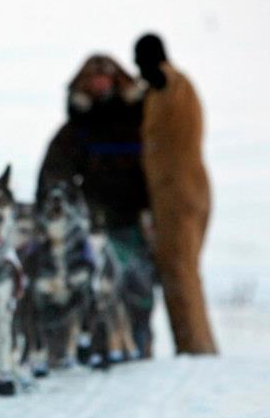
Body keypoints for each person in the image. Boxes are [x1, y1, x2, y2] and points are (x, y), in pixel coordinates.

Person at [37, 54, 155, 357]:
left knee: (138, 284)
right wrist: (52, 209)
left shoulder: (139, 121)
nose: (101, 84)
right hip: (93, 221)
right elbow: (54, 173)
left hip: (134, 216)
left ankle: (138, 341)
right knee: (91, 287)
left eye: (106, 78)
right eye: (94, 79)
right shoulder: (76, 131)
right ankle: (95, 343)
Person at [134, 33, 217, 355]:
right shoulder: (178, 85)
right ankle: (199, 345)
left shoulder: (168, 83)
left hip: (177, 195)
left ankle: (195, 348)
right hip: (188, 191)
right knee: (185, 272)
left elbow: (162, 81)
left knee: (178, 272)